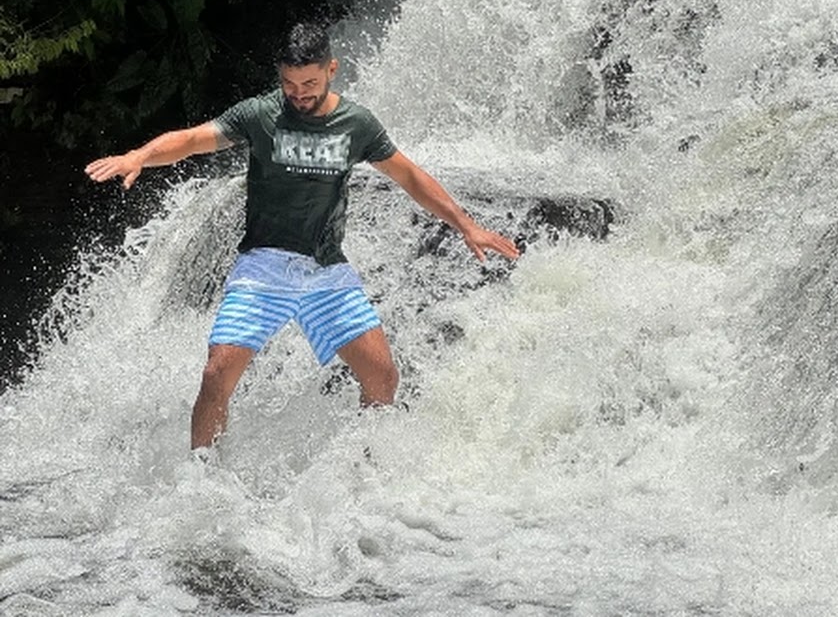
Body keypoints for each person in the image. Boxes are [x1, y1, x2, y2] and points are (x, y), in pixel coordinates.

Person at [85, 22, 519, 451]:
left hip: (325, 270)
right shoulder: (260, 114)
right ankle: (200, 473)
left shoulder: (357, 124)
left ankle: (365, 467)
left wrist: (466, 224)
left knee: (382, 375)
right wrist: (138, 156)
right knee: (216, 373)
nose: (299, 93)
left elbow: (408, 175)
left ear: (332, 69)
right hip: (263, 267)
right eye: (290, 83)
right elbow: (194, 140)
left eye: (309, 82)